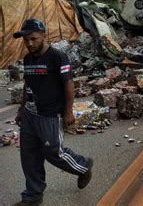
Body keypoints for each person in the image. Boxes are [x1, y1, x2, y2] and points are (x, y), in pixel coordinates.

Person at [13, 19, 93, 206]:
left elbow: (68, 84)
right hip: (30, 115)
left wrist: (68, 112)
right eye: (26, 40)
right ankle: (33, 195)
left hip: (50, 114)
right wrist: (21, 111)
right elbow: (27, 86)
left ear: (43, 35)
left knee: (53, 151)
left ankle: (83, 165)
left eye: (33, 38)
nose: (29, 43)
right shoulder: (28, 59)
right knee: (29, 155)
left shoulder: (57, 57)